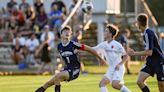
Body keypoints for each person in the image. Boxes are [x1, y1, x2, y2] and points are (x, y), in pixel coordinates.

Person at [35, 25, 105, 92]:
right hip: (67, 69)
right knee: (47, 84)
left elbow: (89, 49)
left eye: (69, 31)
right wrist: (62, 68)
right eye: (65, 31)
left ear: (70, 34)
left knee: (57, 76)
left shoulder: (73, 44)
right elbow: (64, 59)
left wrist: (100, 58)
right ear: (61, 34)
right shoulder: (59, 46)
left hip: (75, 70)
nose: (67, 32)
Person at [128, 13, 164, 92]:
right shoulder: (145, 33)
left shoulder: (148, 33)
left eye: (137, 22)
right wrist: (144, 55)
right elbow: (149, 48)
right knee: (140, 81)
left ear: (140, 23)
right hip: (151, 61)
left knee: (161, 87)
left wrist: (134, 53)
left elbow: (149, 52)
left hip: (159, 61)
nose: (136, 23)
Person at [93, 24, 131, 92]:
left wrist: (120, 64)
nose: (104, 32)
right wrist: (80, 48)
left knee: (115, 85)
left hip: (118, 68)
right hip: (111, 68)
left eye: (106, 31)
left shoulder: (117, 44)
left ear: (110, 34)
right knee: (102, 84)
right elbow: (93, 49)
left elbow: (126, 56)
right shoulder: (103, 44)